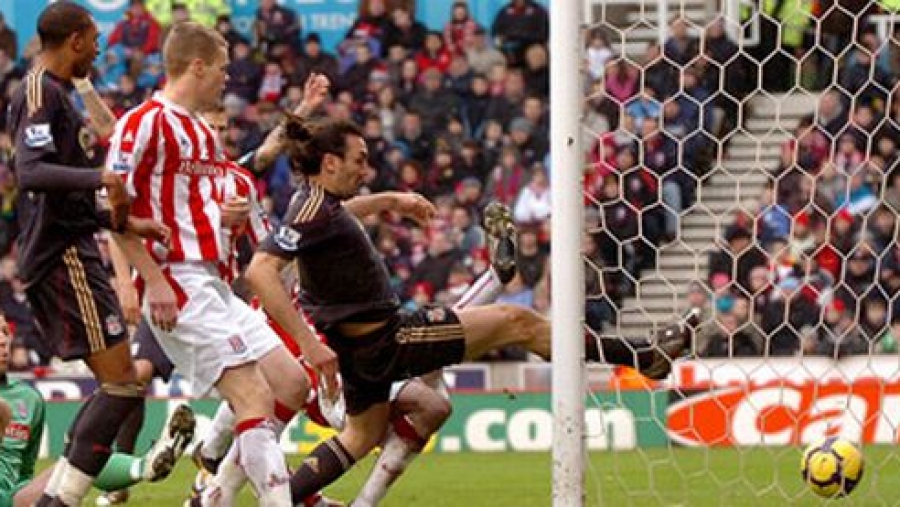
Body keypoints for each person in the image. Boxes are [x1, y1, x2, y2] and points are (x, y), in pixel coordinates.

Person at [245, 116, 696, 504]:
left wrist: (391, 201)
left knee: (360, 437)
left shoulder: (315, 204)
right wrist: (307, 344)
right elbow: (260, 271)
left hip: (361, 348)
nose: (367, 169)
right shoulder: (312, 213)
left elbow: (340, 215)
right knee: (518, 321)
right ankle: (641, 356)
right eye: (359, 160)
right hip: (387, 338)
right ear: (331, 162)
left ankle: (283, 499)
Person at [6, 4, 171, 505]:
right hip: (62, 257)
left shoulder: (59, 96)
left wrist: (124, 221)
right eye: (95, 39)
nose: (99, 49)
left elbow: (69, 198)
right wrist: (102, 177)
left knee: (120, 385)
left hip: (73, 249)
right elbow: (30, 173)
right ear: (75, 39)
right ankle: (59, 499)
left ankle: (59, 495)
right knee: (121, 384)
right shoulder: (39, 91)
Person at [0, 313, 194, 507]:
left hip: (12, 497)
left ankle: (144, 467)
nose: (3, 341)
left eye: (5, 332)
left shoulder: (29, 399)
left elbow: (24, 472)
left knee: (73, 462)